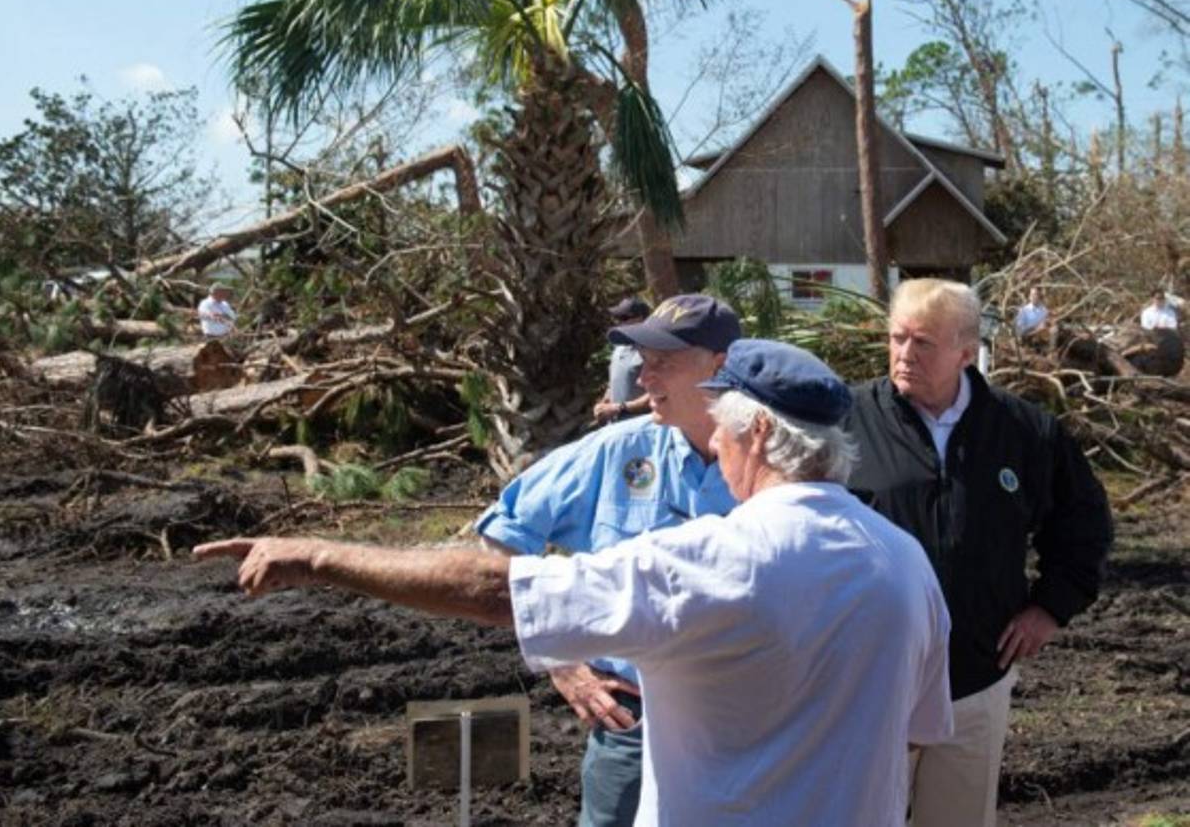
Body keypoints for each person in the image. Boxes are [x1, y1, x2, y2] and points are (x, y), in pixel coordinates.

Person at [194, 338, 954, 827]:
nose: (712, 438)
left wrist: (318, 555)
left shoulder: (717, 558)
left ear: (757, 433)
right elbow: (918, 733)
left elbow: (500, 588)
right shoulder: (905, 561)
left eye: (721, 422)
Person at [845, 278, 1112, 827]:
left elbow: (1083, 525)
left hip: (975, 679)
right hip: (870, 684)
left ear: (967, 352)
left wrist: (1051, 606)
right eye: (897, 338)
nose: (903, 354)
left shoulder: (1024, 432)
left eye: (923, 342)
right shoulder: (849, 422)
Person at [478, 293, 740, 827]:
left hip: (745, 725)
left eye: (663, 362)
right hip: (631, 725)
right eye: (643, 363)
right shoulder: (614, 451)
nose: (644, 379)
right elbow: (502, 538)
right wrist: (562, 663)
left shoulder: (775, 461)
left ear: (721, 366)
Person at [593, 296, 652, 424]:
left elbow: (658, 394)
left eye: (624, 318)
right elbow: (613, 381)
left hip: (643, 427)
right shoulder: (619, 347)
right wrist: (604, 403)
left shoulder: (652, 349)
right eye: (617, 319)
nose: (619, 323)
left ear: (641, 319)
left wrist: (619, 408)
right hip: (617, 427)